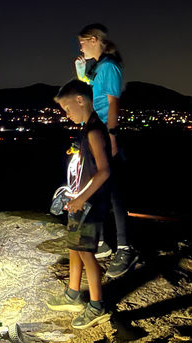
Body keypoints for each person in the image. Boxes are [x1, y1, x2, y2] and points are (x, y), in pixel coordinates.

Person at [74, 23, 139, 278]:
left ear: (93, 40)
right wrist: (82, 75)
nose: (80, 48)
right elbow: (93, 93)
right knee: (98, 188)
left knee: (113, 192)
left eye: (82, 43)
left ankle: (125, 248)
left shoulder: (109, 66)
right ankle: (100, 243)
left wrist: (112, 136)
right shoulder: (100, 67)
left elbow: (112, 104)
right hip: (95, 132)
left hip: (104, 133)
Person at [46, 80, 112, 329]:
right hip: (80, 202)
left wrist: (81, 198)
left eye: (67, 108)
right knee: (74, 247)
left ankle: (97, 306)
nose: (66, 114)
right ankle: (72, 294)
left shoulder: (95, 131)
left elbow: (104, 171)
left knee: (86, 253)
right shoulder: (87, 130)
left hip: (89, 206)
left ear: (80, 100)